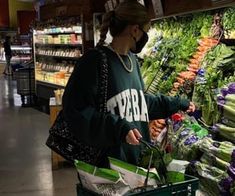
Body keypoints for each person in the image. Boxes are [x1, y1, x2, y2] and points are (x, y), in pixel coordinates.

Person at [62, 0, 195, 167]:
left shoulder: (133, 62)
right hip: (107, 166)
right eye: (146, 31)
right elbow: (75, 110)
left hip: (137, 163)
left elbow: (140, 103)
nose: (145, 36)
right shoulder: (94, 61)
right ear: (134, 30)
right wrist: (119, 128)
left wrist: (176, 104)